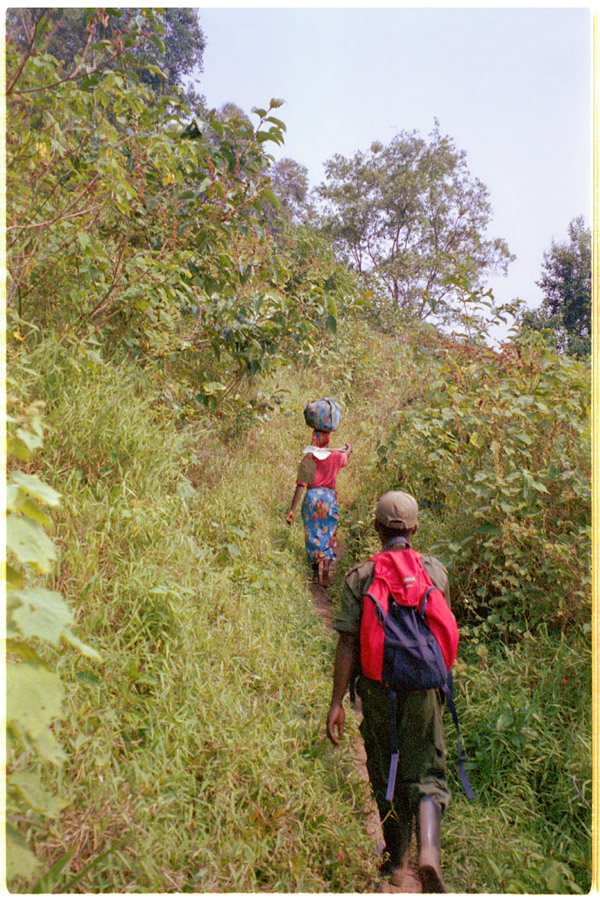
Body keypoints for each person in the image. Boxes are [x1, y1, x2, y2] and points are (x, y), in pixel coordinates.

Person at [326, 490, 451, 892]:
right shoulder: (435, 571)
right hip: (426, 689)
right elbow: (441, 629)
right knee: (428, 770)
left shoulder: (361, 577)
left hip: (379, 690)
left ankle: (397, 863)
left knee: (386, 772)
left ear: (377, 529)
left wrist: (336, 704)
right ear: (414, 529)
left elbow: (347, 643)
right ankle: (428, 851)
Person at [286, 429, 352, 586]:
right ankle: (326, 572)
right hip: (328, 500)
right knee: (329, 534)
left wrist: (292, 509)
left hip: (312, 498)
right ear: (327, 441)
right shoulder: (336, 456)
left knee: (312, 534)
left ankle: (315, 574)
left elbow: (301, 484)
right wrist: (349, 448)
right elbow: (347, 455)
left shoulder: (309, 457)